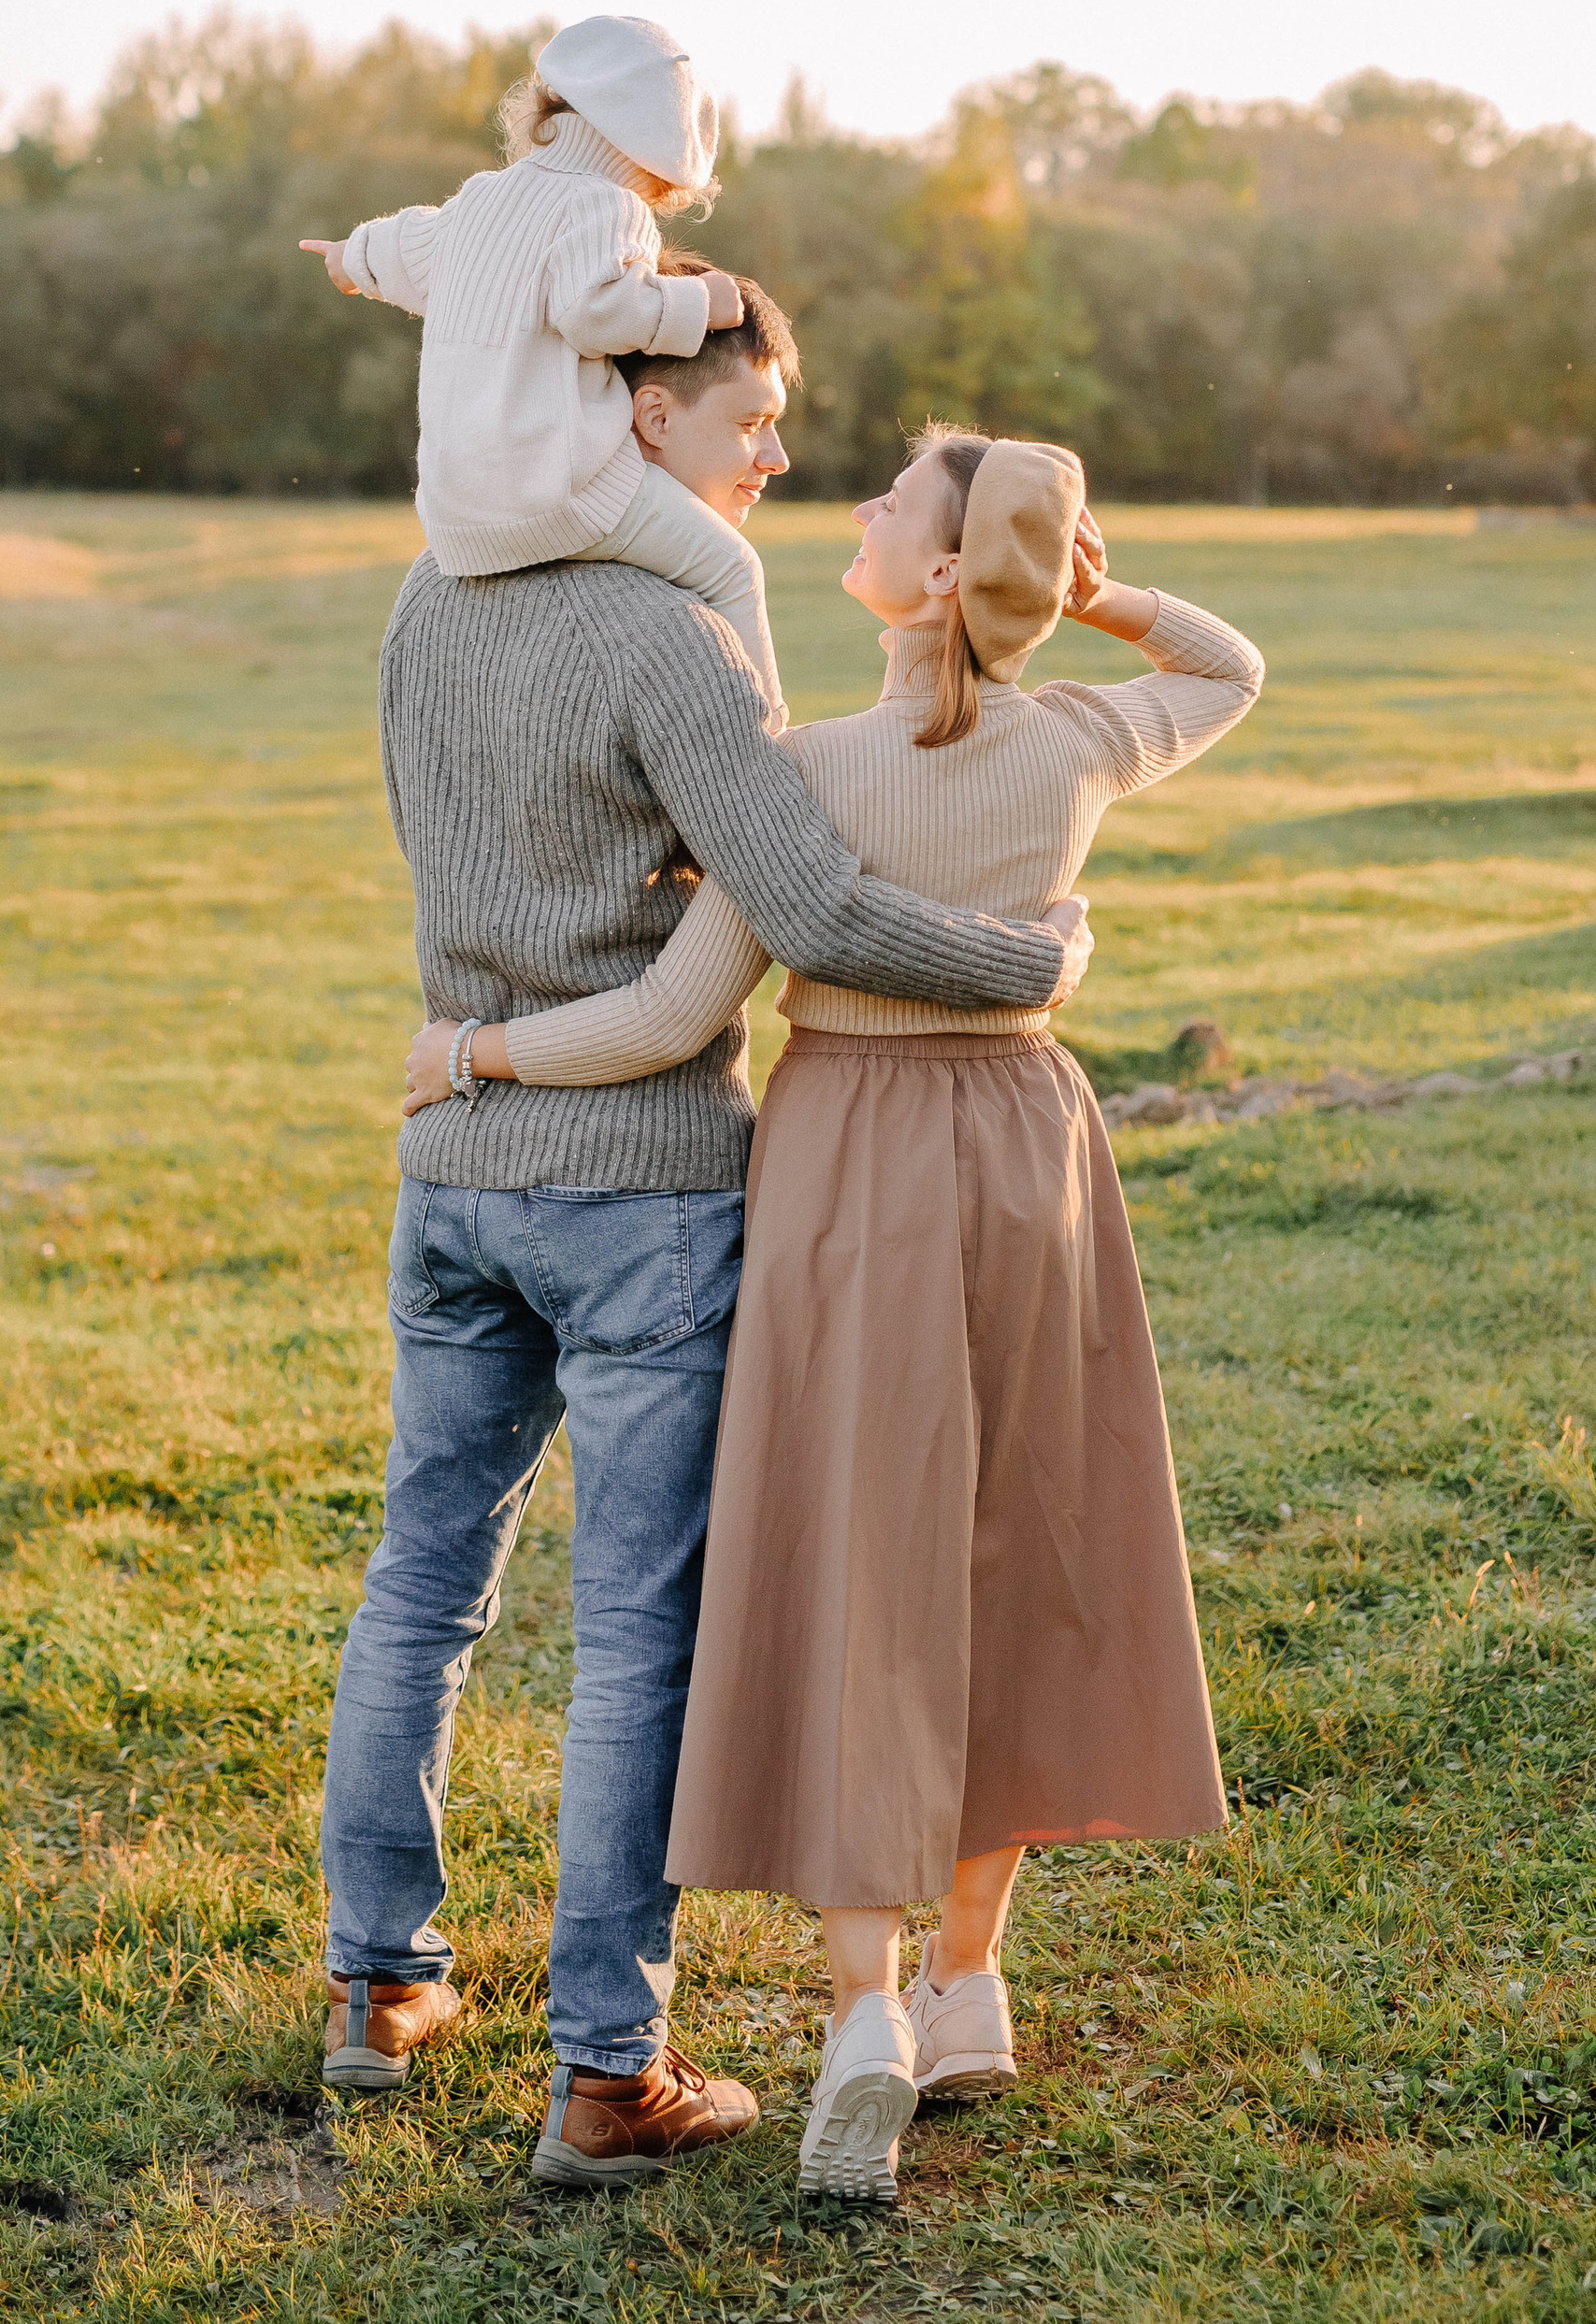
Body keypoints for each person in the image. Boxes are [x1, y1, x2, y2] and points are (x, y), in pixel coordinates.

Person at [407, 429, 1263, 2200]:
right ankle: (972, 1984)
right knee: (1010, 1546)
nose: (858, 511)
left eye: (896, 505)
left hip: (847, 1160)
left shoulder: (793, 780)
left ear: (940, 576)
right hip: (1027, 1142)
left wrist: (474, 1054)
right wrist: (1096, 599)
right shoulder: (1089, 740)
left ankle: (863, 2010)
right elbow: (1232, 669)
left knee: (861, 1557)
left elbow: (662, 1019)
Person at [319, 297, 1096, 2194]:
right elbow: (812, 898)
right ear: (636, 415)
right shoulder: (675, 634)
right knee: (628, 1629)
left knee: (422, 1578)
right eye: (744, 422)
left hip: (456, 1166)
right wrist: (1030, 962)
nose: (767, 458)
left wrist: (475, 1046)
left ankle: (376, 1990)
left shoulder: (431, 596)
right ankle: (606, 2074)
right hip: (638, 1192)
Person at [303, 10, 785, 724]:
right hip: (559, 498)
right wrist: (700, 302)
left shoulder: (482, 199)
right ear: (662, 155)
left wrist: (352, 258)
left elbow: (409, 247)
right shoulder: (609, 206)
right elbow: (597, 311)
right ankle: (766, 731)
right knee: (732, 568)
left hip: (457, 522)